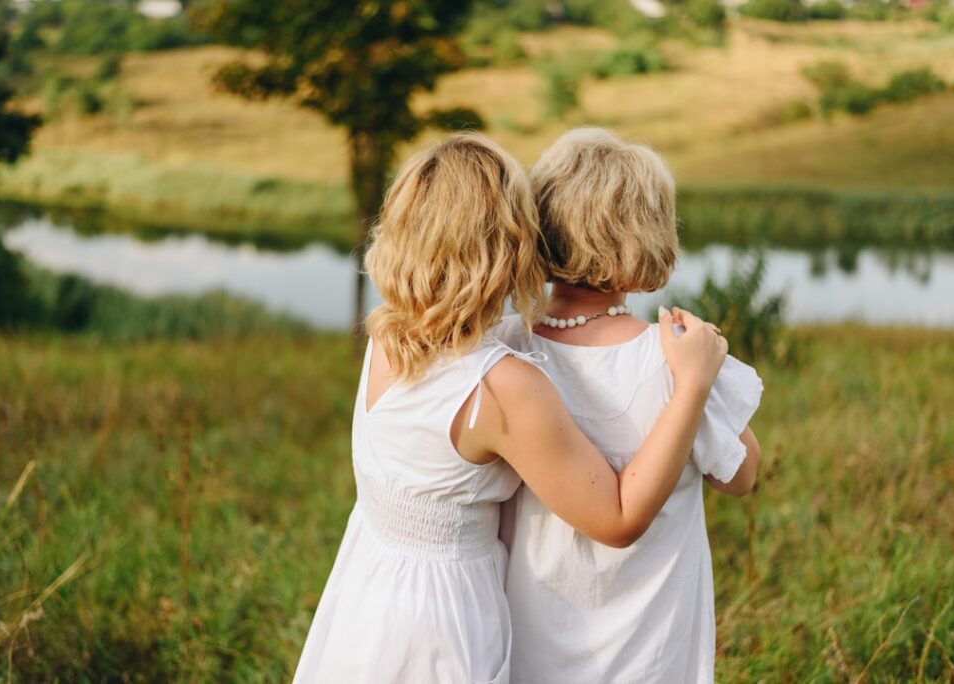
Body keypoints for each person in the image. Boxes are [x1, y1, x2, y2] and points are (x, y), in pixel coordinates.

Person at [292, 133, 729, 683]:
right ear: (507, 246)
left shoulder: (389, 337)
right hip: (441, 619)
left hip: (367, 589)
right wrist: (691, 385)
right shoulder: (503, 384)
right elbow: (616, 519)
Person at [492, 127, 764, 683]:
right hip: (650, 648)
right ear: (647, 235)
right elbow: (742, 474)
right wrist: (704, 377)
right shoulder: (675, 358)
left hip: (532, 635)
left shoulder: (503, 349)